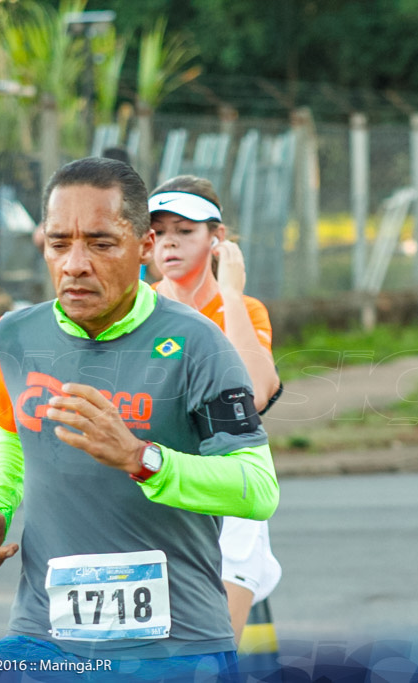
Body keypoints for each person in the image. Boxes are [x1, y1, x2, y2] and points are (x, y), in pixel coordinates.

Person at [0, 157, 279, 679]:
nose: (75, 264)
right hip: (44, 636)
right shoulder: (14, 336)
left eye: (102, 243)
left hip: (176, 646)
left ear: (144, 247)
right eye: (60, 243)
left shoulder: (200, 343)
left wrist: (140, 458)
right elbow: (11, 432)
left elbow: (257, 487)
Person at [148, 175, 283, 646]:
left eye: (185, 230)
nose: (169, 242)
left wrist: (229, 293)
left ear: (217, 239)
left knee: (211, 654)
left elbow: (258, 391)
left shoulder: (243, 309)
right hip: (153, 494)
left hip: (227, 498)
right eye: (159, 231)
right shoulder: (135, 311)